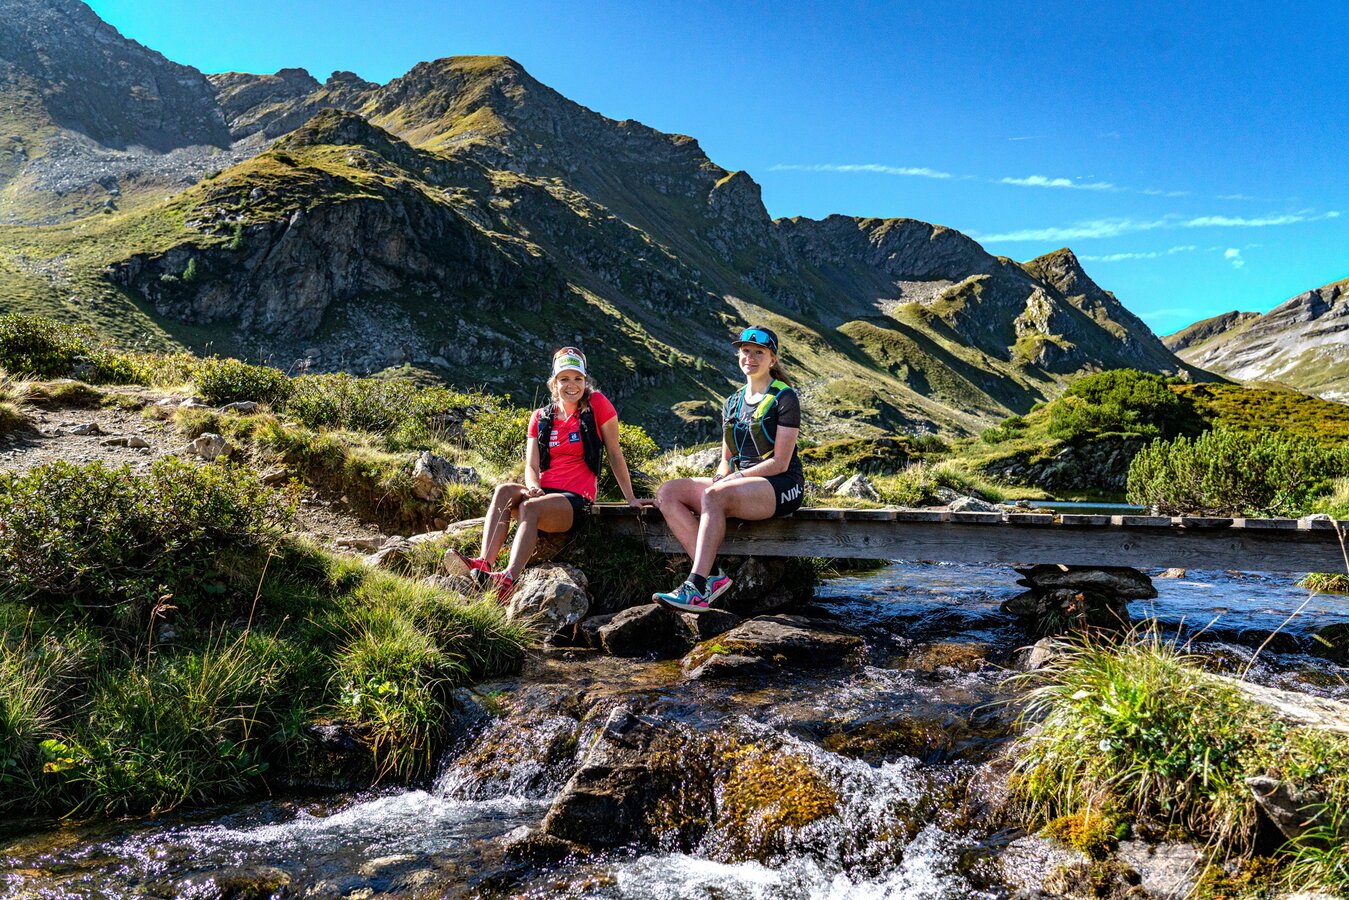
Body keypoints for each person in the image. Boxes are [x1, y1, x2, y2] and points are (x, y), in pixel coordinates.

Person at [447, 347, 651, 601]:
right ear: (554, 383)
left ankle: (508, 579)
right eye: (564, 379)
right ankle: (484, 562)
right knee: (504, 490)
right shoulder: (540, 417)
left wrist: (630, 498)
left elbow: (614, 453)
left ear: (585, 381)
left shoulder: (597, 404)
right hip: (544, 492)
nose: (571, 385)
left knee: (530, 508)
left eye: (577, 378)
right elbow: (531, 466)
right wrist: (533, 486)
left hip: (576, 499)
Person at [653, 326, 804, 613]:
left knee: (714, 495)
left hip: (781, 485)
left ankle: (695, 588)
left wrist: (733, 479)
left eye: (759, 352)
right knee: (668, 493)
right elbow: (726, 458)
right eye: (745, 351)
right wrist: (722, 476)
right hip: (739, 483)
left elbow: (780, 463)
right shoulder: (732, 402)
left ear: (772, 359)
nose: (751, 357)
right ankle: (712, 577)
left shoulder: (785, 398)